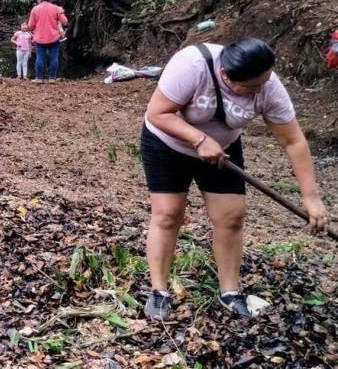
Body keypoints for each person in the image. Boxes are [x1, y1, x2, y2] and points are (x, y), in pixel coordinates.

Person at [141, 38, 330, 321]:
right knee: (168, 214)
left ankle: (230, 292)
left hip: (222, 152)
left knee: (231, 217)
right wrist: (199, 139)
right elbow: (158, 113)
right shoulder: (193, 65)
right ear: (225, 76)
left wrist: (311, 198)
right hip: (168, 144)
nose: (258, 92)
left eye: (262, 84)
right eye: (251, 88)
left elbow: (293, 141)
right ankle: (159, 292)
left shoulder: (268, 87)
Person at [27, 0, 68, 83]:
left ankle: (39, 78)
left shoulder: (35, 9)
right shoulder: (57, 8)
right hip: (54, 38)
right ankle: (52, 78)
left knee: (40, 57)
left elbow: (30, 26)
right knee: (54, 57)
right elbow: (65, 21)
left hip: (40, 38)